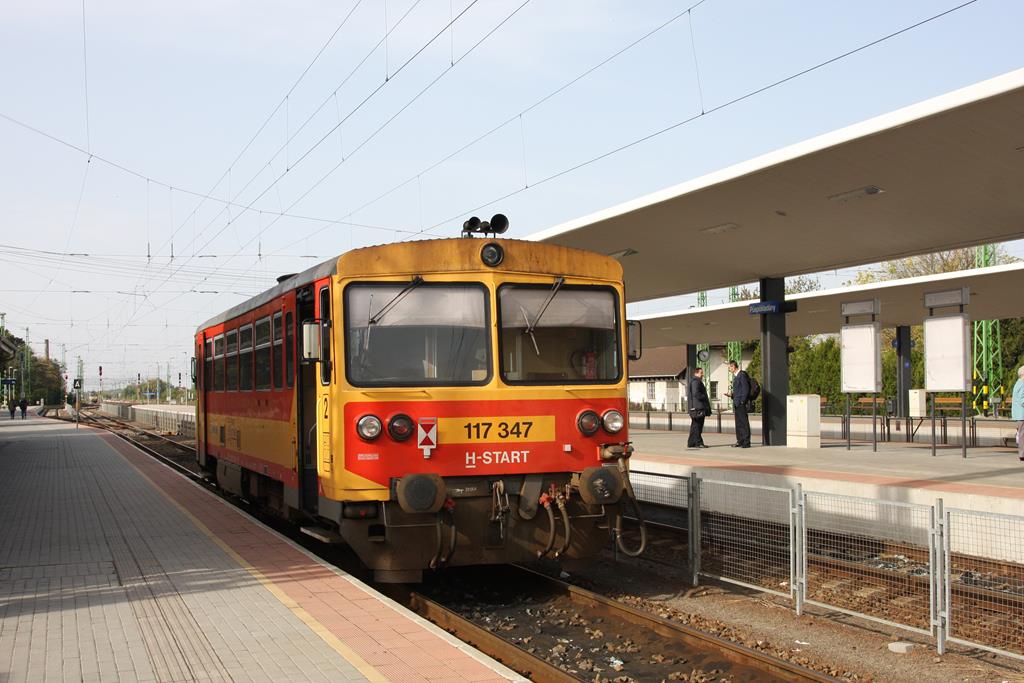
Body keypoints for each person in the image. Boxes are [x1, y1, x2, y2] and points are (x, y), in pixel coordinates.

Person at [726, 360, 752, 448]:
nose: (729, 369)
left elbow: (745, 389)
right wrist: (732, 395)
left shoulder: (742, 375)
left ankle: (746, 441)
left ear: (733, 366)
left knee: (744, 422)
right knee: (738, 423)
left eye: (729, 367)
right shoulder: (736, 376)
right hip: (736, 402)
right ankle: (740, 440)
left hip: (740, 403)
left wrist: (742, 401)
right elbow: (739, 391)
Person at [687, 367, 711, 449]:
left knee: (694, 425)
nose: (702, 374)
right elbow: (696, 393)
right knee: (698, 425)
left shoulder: (694, 381)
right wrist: (704, 396)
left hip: (695, 407)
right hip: (698, 407)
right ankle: (698, 442)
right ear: (696, 373)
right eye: (701, 373)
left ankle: (691, 442)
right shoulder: (696, 382)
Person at [1013, 366, 1024, 462]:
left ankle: (1022, 454)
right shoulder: (1022, 384)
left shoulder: (1017, 383)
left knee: (1021, 434)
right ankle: (1022, 454)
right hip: (1022, 414)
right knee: (1022, 435)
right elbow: (1022, 400)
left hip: (1019, 414)